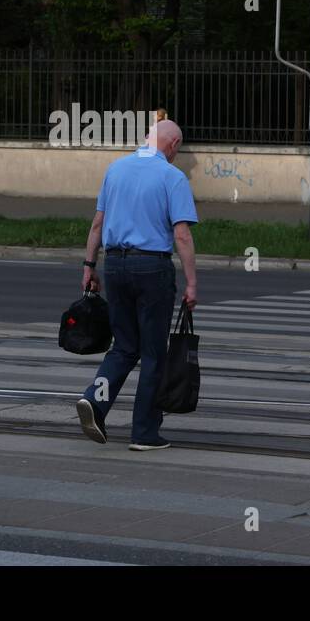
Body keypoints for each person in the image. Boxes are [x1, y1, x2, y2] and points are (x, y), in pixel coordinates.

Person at [76, 118, 198, 451]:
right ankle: (144, 432)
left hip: (114, 264)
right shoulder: (172, 177)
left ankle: (95, 401)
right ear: (172, 146)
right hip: (151, 268)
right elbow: (182, 235)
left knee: (124, 347)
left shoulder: (115, 170)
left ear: (148, 139)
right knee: (153, 352)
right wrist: (192, 283)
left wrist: (89, 266)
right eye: (178, 150)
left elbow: (98, 224)